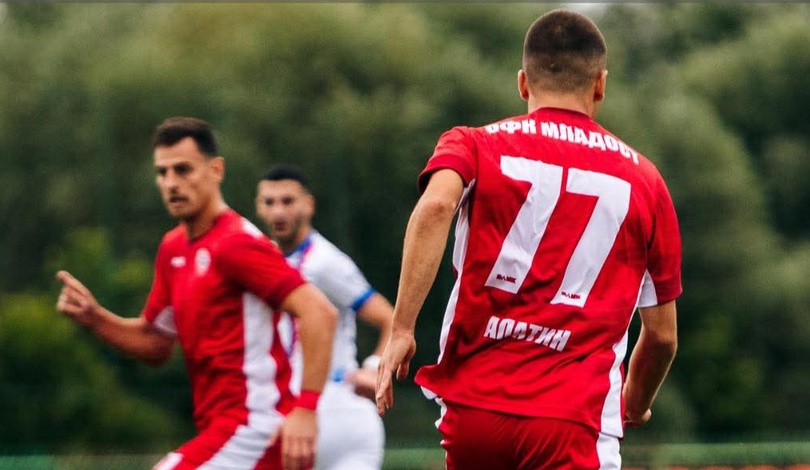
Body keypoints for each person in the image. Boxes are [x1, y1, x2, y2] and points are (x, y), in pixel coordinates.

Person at [376, 8, 681, 470]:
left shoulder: (473, 143)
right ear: (600, 84)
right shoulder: (646, 181)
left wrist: (402, 327)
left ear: (523, 83)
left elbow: (436, 206)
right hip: (574, 417)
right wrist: (635, 403)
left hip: (474, 411)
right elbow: (661, 336)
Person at [55, 116, 337, 470]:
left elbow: (319, 312)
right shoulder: (173, 248)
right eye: (162, 172)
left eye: (183, 169)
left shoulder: (237, 243)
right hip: (222, 431)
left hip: (255, 429)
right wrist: (95, 318)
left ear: (216, 170)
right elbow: (156, 342)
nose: (171, 183)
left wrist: (306, 409)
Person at [255, 165, 392, 470]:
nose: (278, 211)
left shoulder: (325, 262)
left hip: (335, 406)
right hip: (291, 411)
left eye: (288, 201)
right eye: (269, 202)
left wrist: (373, 368)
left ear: (309, 205)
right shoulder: (266, 259)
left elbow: (390, 319)